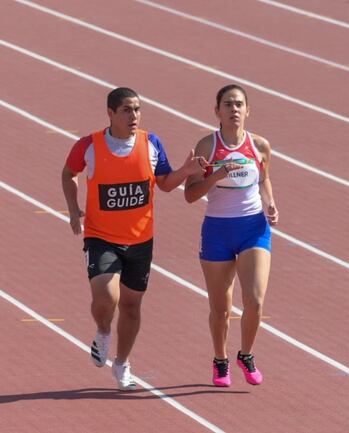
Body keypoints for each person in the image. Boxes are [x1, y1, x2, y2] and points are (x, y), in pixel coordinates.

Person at [61, 87, 207, 390]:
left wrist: (185, 171)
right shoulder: (90, 145)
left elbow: (165, 184)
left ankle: (122, 362)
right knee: (106, 297)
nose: (134, 116)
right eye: (127, 110)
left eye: (138, 109)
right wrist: (74, 209)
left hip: (140, 239)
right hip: (102, 237)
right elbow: (68, 173)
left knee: (131, 306)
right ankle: (103, 330)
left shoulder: (150, 143)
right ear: (111, 113)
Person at [184, 84, 279, 387]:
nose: (234, 109)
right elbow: (190, 194)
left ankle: (246, 354)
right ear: (217, 112)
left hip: (253, 228)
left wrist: (271, 203)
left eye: (239, 104)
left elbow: (264, 179)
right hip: (217, 230)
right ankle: (220, 360)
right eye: (227, 104)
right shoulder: (206, 147)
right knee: (220, 308)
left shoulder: (260, 145)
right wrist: (217, 175)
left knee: (255, 300)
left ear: (247, 110)